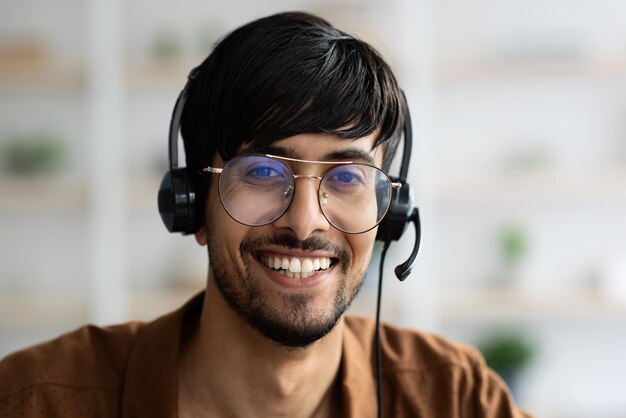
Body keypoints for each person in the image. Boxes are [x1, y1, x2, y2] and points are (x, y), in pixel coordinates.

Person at [0, 11, 532, 418]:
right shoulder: (34, 399)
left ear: (389, 212)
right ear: (192, 202)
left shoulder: (457, 397)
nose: (304, 223)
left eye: (346, 177)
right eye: (260, 172)